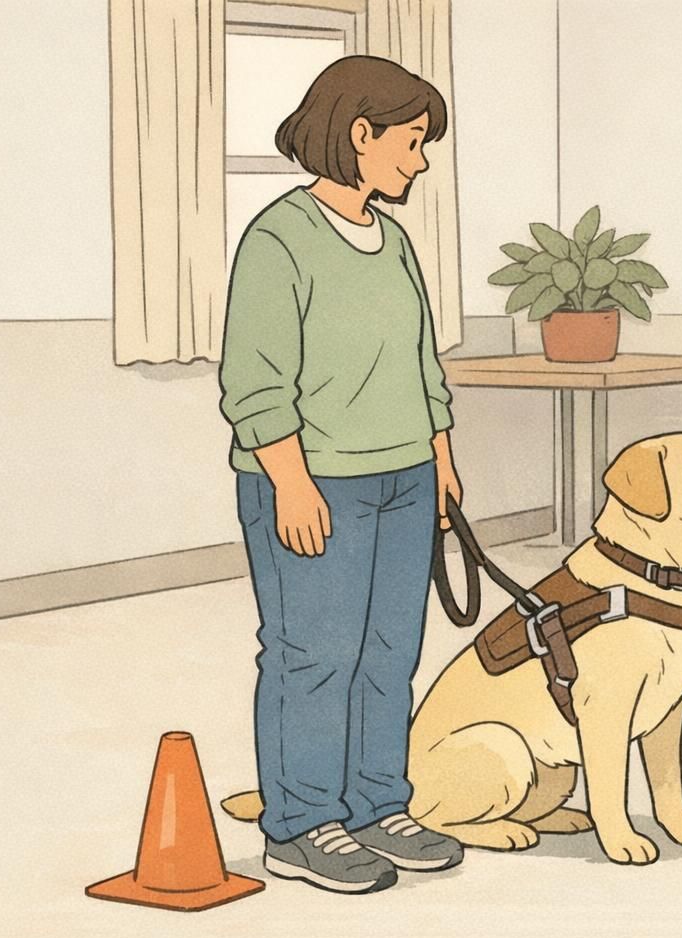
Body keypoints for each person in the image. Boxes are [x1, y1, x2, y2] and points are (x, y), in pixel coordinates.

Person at [218, 56, 465, 893]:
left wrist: (441, 458)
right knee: (313, 653)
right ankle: (300, 823)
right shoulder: (278, 239)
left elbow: (421, 363)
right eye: (411, 142)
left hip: (403, 477)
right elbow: (253, 381)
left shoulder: (391, 241)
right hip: (313, 481)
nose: (420, 161)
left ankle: (375, 803)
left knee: (388, 651)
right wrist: (289, 482)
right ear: (359, 134)